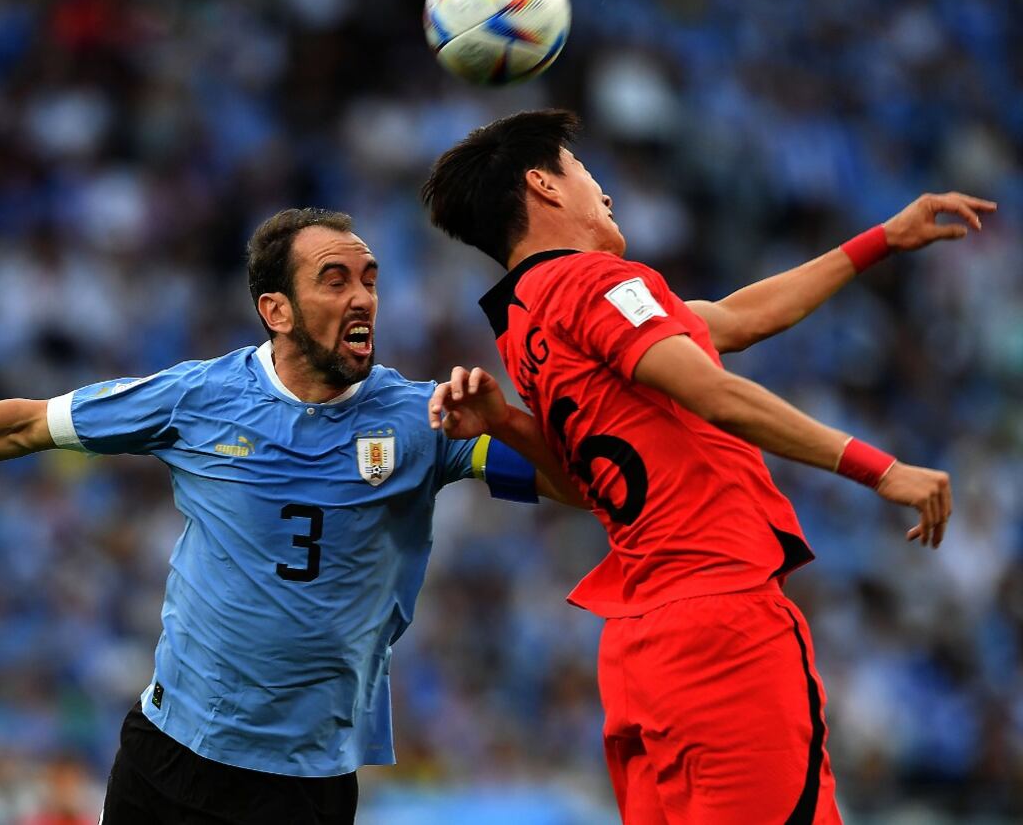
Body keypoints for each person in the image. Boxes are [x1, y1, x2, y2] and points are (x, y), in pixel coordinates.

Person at [0, 207, 578, 825]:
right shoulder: (198, 399)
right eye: (335, 278)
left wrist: (505, 423)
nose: (363, 295)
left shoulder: (421, 419)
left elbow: (580, 488)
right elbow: (22, 422)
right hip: (170, 756)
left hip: (307, 782)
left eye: (369, 277)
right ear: (278, 308)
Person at [420, 109, 996, 824]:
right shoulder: (593, 284)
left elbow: (731, 321)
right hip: (721, 622)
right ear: (544, 185)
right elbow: (713, 391)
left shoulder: (526, 324)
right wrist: (880, 468)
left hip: (642, 646)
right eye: (583, 168)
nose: (602, 187)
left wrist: (882, 240)